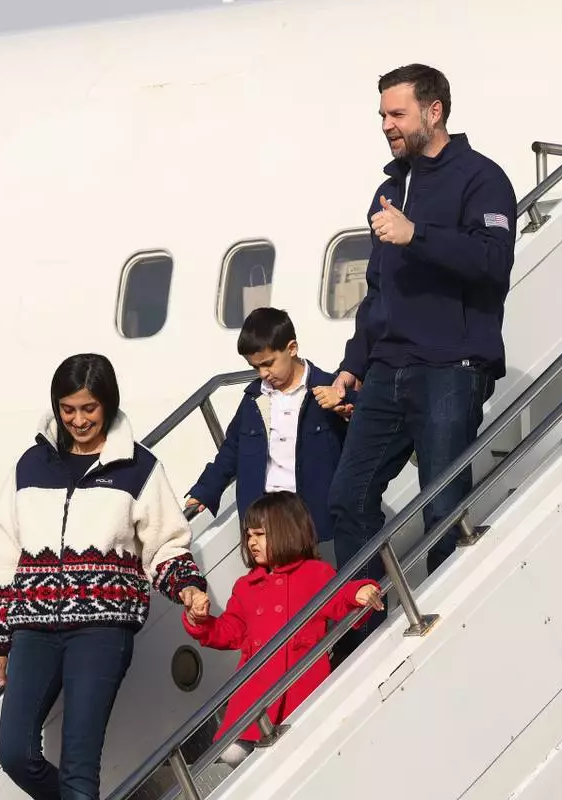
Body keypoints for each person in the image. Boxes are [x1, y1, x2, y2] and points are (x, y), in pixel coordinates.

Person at [314, 64, 516, 651]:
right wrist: (355, 359)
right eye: (382, 115)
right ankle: (367, 629)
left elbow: (492, 262)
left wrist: (416, 234)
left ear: (434, 111)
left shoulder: (481, 179)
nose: (386, 125)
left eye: (396, 114)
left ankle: (448, 638)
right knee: (345, 497)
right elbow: (379, 292)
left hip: (451, 367)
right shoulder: (387, 189)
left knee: (443, 501)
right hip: (387, 369)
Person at [0, 353, 210, 800]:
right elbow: (4, 552)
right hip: (33, 629)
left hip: (102, 631)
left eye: (88, 409)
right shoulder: (30, 466)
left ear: (107, 404)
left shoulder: (138, 467)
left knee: (79, 766)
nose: (78, 420)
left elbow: (165, 542)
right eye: (68, 409)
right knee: (14, 752)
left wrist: (186, 585)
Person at [182, 491, 383, 767]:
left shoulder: (314, 573)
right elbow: (231, 630)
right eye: (248, 535)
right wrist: (201, 620)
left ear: (286, 532)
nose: (251, 542)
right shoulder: (246, 586)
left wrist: (358, 591)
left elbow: (338, 596)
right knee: (233, 752)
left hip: (300, 689)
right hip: (255, 697)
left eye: (259, 534)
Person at [185, 306, 354, 544]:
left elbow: (364, 431)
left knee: (317, 578)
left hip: (313, 517)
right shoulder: (255, 399)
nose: (264, 373)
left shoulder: (327, 388)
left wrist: (346, 406)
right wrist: (205, 490)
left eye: (268, 363)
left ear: (292, 348)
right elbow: (232, 448)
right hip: (265, 518)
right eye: (256, 367)